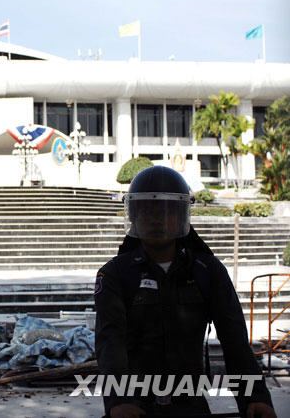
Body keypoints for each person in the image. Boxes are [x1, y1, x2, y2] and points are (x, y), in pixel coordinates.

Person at [94, 166, 276, 418]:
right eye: (147, 211)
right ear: (134, 216)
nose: (156, 219)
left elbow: (234, 340)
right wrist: (119, 401)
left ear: (181, 216)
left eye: (165, 211)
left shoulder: (207, 270)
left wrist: (256, 398)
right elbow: (110, 343)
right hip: (133, 407)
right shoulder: (115, 274)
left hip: (190, 404)